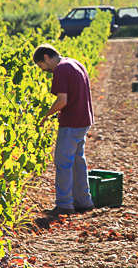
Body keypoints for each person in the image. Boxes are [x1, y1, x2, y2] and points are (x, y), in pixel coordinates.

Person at [33, 44, 95, 217]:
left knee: (63, 162)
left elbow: (62, 101)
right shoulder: (75, 63)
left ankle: (64, 204)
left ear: (46, 57)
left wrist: (46, 115)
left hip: (71, 122)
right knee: (77, 161)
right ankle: (84, 202)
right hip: (84, 120)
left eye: (41, 65)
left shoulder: (61, 69)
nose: (43, 70)